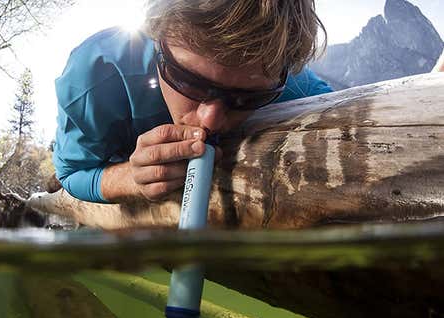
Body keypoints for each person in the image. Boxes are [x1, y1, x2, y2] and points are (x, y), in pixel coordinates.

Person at [53, 0, 332, 204]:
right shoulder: (97, 73)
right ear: (156, 35)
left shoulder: (290, 83)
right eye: (187, 81)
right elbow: (70, 173)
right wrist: (130, 178)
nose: (210, 119)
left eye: (247, 98)